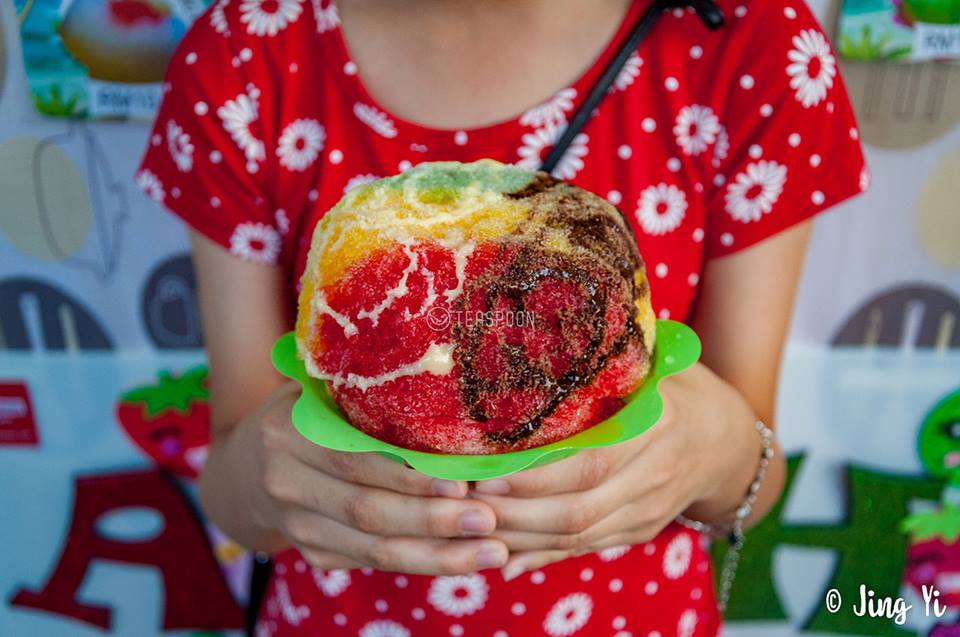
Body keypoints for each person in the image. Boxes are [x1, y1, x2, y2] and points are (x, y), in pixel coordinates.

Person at [137, 0, 868, 634]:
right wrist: (267, 477)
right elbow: (232, 485)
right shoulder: (246, 54)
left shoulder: (752, 46)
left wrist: (713, 443)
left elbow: (754, 479)